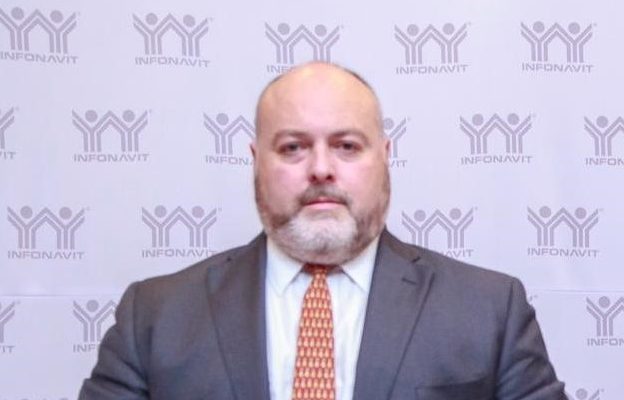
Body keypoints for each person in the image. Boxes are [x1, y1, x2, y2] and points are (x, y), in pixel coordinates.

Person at [79, 62, 565, 400]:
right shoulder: (155, 316)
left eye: (347, 146)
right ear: (256, 162)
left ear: (385, 157)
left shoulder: (489, 311)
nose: (320, 168)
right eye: (292, 147)